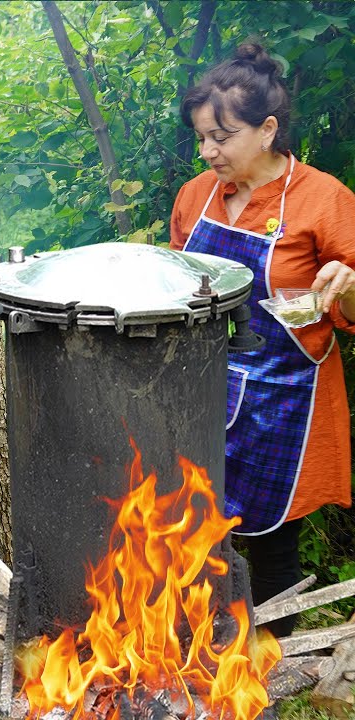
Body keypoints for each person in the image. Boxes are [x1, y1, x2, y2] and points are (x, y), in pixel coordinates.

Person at [170, 43, 355, 638]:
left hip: (285, 402)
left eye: (221, 137)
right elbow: (176, 285)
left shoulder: (323, 200)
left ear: (268, 128)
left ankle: (275, 663)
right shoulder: (197, 196)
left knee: (273, 544)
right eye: (201, 138)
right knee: (194, 529)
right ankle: (200, 652)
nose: (208, 152)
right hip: (201, 392)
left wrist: (344, 288)